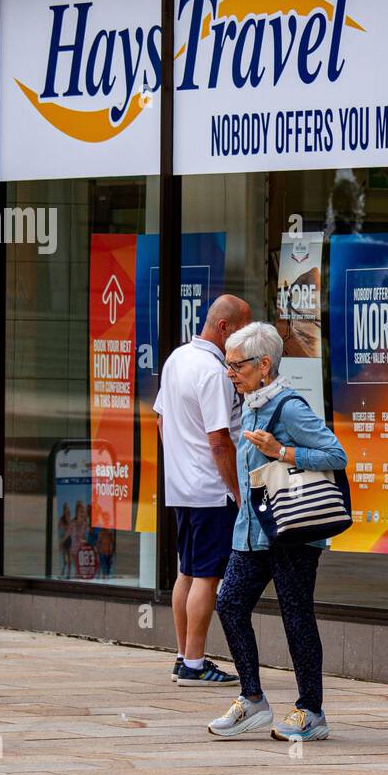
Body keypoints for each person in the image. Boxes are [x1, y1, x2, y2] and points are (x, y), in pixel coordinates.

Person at [208, 322, 348, 742]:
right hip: (251, 532)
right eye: (227, 364)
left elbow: (335, 454)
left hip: (291, 531)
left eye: (237, 365)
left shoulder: (288, 406)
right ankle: (252, 698)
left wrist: (282, 451)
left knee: (296, 617)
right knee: (230, 603)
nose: (229, 373)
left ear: (264, 364)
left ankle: (311, 711)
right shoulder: (250, 402)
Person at [154, 294, 251, 686]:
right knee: (208, 576)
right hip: (211, 489)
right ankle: (194, 662)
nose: (245, 338)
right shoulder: (214, 372)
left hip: (182, 486)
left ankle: (183, 655)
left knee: (188, 572)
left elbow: (160, 419)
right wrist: (236, 490)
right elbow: (219, 440)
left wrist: (179, 459)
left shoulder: (177, 358)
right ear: (225, 328)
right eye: (242, 329)